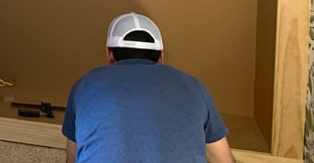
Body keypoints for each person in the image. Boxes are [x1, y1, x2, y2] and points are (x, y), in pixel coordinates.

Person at [62, 12, 235, 163]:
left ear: (109, 54)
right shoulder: (195, 88)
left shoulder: (84, 86)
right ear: (161, 55)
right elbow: (223, 160)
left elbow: (73, 158)